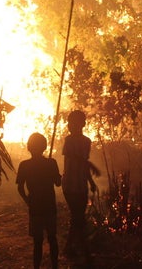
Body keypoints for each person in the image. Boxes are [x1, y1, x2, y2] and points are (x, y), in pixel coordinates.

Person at [17, 132, 62, 269]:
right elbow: (58, 183)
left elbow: (20, 187)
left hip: (35, 206)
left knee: (37, 241)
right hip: (49, 206)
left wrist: (27, 200)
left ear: (29, 147)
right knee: (52, 238)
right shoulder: (51, 163)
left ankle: (36, 266)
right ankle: (55, 266)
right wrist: (59, 175)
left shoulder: (24, 165)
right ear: (44, 147)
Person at [61, 110, 97, 258]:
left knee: (77, 217)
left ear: (82, 124)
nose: (70, 125)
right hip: (69, 184)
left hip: (81, 184)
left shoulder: (86, 142)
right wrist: (90, 165)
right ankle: (84, 251)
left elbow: (82, 164)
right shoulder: (68, 140)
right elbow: (75, 158)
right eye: (69, 122)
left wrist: (91, 181)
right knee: (78, 217)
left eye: (73, 122)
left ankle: (70, 247)